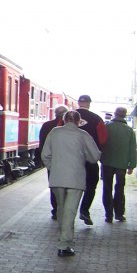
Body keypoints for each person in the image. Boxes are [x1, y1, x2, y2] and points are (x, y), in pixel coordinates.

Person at [42, 110, 101, 257]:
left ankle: (63, 237)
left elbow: (45, 155)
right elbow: (95, 156)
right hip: (76, 178)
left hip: (57, 178)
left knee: (61, 209)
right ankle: (64, 245)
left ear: (64, 120)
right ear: (78, 121)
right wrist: (85, 156)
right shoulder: (83, 135)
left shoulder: (54, 132)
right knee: (70, 211)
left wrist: (53, 168)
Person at [100, 106, 137, 222]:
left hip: (107, 162)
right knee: (120, 188)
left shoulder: (106, 127)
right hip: (122, 164)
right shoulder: (129, 130)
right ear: (125, 115)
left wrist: (100, 158)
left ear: (115, 114)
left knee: (107, 188)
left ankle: (108, 215)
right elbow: (132, 149)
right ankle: (119, 214)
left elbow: (101, 143)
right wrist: (131, 165)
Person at [75, 94, 107, 225]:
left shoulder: (67, 117)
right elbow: (103, 139)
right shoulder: (97, 119)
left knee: (69, 185)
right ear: (89, 104)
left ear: (78, 103)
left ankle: (64, 211)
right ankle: (84, 210)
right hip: (89, 158)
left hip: (71, 158)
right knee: (91, 184)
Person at [36, 105, 69, 219]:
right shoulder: (71, 128)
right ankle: (64, 209)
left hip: (52, 162)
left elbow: (42, 144)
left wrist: (45, 161)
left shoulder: (47, 125)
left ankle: (56, 210)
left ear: (55, 114)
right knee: (67, 186)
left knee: (54, 186)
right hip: (67, 163)